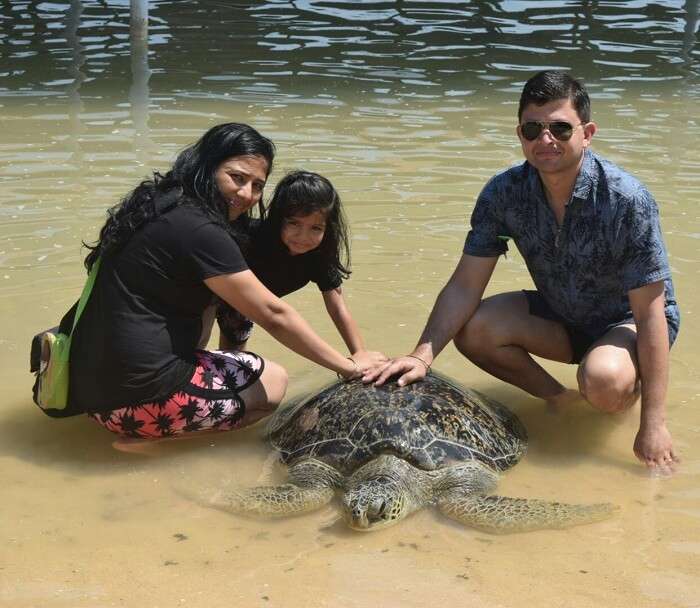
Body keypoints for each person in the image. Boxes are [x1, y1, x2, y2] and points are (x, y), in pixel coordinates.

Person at [365, 71, 680, 472]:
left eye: (560, 128)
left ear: (587, 133)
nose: (545, 140)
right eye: (533, 128)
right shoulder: (503, 193)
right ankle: (561, 400)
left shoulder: (626, 200)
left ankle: (618, 399)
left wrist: (654, 425)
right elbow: (465, 284)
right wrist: (421, 356)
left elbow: (651, 313)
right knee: (475, 329)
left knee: (603, 380)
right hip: (563, 314)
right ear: (520, 134)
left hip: (627, 322)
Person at [68, 122, 385, 440]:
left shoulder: (159, 203)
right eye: (236, 177)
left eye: (257, 185)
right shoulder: (201, 230)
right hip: (134, 404)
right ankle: (154, 440)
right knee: (273, 381)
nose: (246, 194)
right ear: (206, 167)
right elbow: (274, 315)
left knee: (224, 346)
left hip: (86, 390)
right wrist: (349, 368)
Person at [210, 170, 373, 364]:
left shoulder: (318, 256)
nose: (303, 237)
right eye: (294, 223)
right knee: (195, 334)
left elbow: (337, 307)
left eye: (316, 228)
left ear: (328, 229)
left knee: (233, 358)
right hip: (209, 290)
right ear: (279, 218)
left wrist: (360, 353)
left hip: (242, 310)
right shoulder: (249, 237)